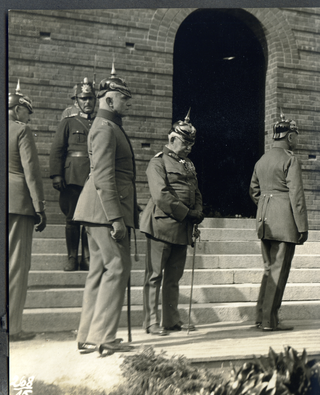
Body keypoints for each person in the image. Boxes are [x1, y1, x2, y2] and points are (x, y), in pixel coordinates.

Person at [72, 64, 138, 355]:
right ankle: (104, 337)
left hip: (97, 210)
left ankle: (87, 335)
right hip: (105, 210)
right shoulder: (104, 128)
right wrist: (116, 217)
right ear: (109, 99)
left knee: (99, 270)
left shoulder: (108, 126)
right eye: (123, 99)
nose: (127, 104)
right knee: (117, 268)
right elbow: (103, 176)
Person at [140, 110, 204, 336]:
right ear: (172, 139)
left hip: (182, 228)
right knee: (155, 276)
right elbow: (161, 195)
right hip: (161, 226)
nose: (189, 148)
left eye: (191, 144)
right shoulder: (158, 163)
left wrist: (198, 210)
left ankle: (171, 320)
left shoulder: (188, 164)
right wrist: (188, 213)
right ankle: (151, 322)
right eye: (185, 143)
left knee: (174, 277)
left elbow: (195, 190)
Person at [249, 114, 308, 331]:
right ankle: (269, 321)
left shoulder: (262, 160)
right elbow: (297, 196)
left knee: (268, 270)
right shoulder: (290, 159)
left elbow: (254, 191)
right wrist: (302, 227)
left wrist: (268, 205)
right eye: (296, 136)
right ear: (290, 137)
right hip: (284, 223)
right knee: (279, 271)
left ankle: (259, 317)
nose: (297, 140)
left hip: (265, 221)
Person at [8, 80, 47, 342]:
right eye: (27, 111)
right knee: (16, 266)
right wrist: (39, 206)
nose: (28, 116)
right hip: (17, 203)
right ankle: (11, 327)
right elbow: (31, 171)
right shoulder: (21, 130)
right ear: (18, 109)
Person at [49, 77, 96, 271]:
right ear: (76, 100)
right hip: (72, 177)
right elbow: (57, 150)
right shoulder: (68, 122)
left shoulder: (99, 123)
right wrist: (56, 175)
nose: (87, 102)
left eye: (90, 98)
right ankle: (71, 258)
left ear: (95, 100)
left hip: (92, 178)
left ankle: (86, 258)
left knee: (89, 219)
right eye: (83, 99)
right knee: (72, 218)